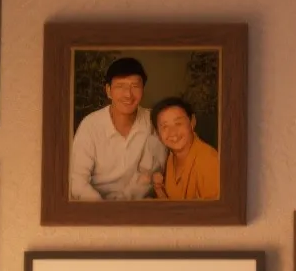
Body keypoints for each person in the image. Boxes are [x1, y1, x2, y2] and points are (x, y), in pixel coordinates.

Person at [68, 57, 164, 201]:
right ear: (108, 91)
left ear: (143, 89)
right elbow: (77, 182)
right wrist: (105, 213)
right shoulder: (90, 126)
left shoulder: (154, 122)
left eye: (135, 86)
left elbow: (157, 173)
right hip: (97, 208)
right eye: (120, 86)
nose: (128, 94)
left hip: (140, 207)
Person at [149, 98, 221, 201]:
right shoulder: (171, 156)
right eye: (165, 127)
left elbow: (215, 214)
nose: (172, 132)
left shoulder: (209, 162)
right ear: (158, 134)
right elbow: (173, 206)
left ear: (192, 122)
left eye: (178, 123)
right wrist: (159, 189)